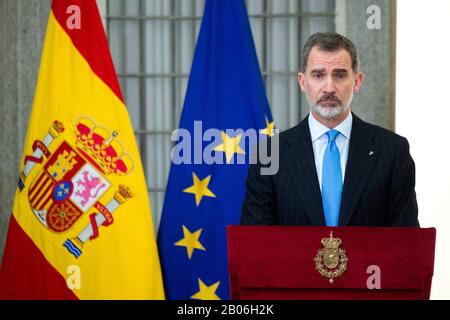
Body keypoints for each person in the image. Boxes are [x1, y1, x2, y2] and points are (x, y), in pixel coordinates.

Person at [240, 32, 419, 227]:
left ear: (357, 81)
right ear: (302, 81)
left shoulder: (392, 151)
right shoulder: (269, 153)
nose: (329, 87)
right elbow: (257, 245)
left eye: (340, 75)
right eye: (318, 75)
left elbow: (405, 244)